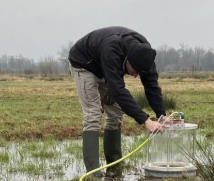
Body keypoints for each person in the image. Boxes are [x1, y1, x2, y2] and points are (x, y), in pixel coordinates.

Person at [68, 27, 165, 173]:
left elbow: (151, 85)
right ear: (128, 60)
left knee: (116, 114)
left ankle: (114, 165)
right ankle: (93, 172)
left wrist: (161, 115)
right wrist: (145, 120)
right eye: (135, 71)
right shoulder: (111, 50)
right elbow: (119, 91)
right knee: (93, 115)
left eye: (139, 73)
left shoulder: (145, 54)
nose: (135, 76)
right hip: (84, 64)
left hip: (106, 66)